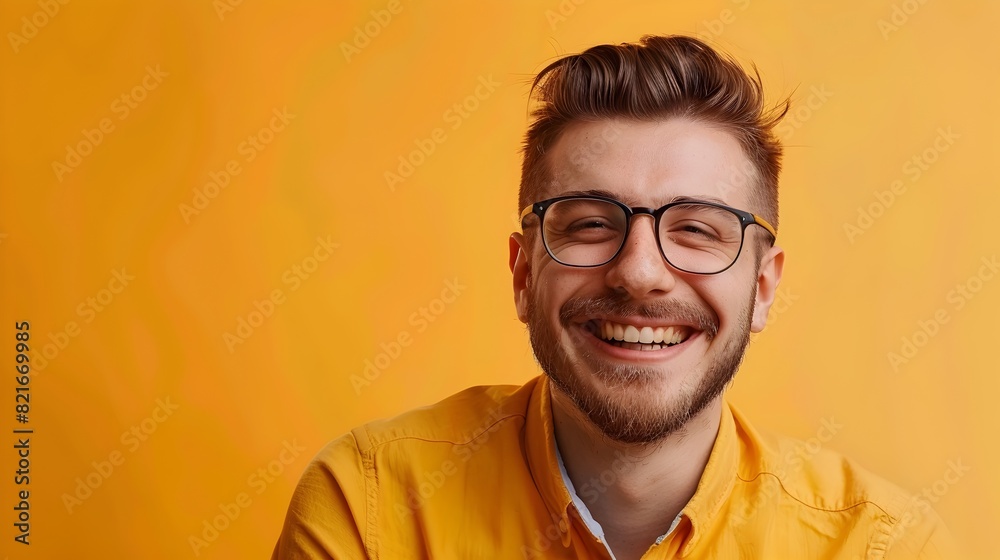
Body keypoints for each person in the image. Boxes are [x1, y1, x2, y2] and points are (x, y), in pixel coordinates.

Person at [271, 35, 955, 559]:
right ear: (522, 273)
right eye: (591, 223)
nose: (640, 274)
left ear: (764, 286)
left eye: (696, 229)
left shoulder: (880, 545)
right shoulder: (371, 507)